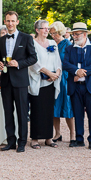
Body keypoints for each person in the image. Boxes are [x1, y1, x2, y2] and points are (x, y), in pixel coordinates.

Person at [0, 11, 38, 153]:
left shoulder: (26, 38)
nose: (10, 23)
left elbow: (33, 58)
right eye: (8, 21)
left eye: (13, 21)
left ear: (17, 22)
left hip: (20, 81)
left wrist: (18, 63)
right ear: (5, 21)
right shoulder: (1, 40)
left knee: (22, 112)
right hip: (5, 81)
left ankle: (22, 142)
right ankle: (10, 141)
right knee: (8, 112)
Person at [61, 22, 91, 149]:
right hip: (76, 87)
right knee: (78, 113)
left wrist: (81, 72)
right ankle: (79, 139)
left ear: (84, 34)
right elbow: (65, 64)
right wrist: (76, 71)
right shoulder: (69, 49)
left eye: (77, 34)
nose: (74, 36)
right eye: (73, 34)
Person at [28, 20, 62, 149]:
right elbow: (33, 62)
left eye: (48, 28)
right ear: (37, 30)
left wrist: (56, 73)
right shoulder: (32, 43)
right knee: (37, 110)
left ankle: (49, 137)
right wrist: (47, 72)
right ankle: (35, 138)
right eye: (44, 28)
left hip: (51, 81)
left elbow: (58, 60)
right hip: (38, 81)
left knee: (49, 110)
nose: (47, 30)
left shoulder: (53, 43)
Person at [50, 21, 75, 143]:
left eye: (55, 33)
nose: (53, 36)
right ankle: (57, 133)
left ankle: (72, 134)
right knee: (55, 106)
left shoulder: (68, 44)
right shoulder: (51, 44)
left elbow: (70, 62)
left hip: (64, 78)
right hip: (54, 77)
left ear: (60, 32)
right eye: (51, 34)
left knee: (67, 105)